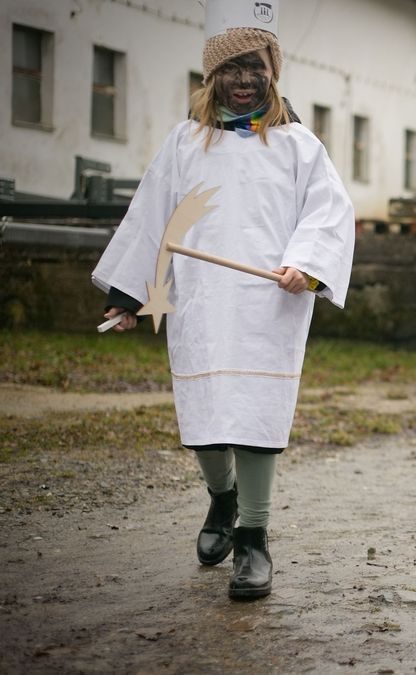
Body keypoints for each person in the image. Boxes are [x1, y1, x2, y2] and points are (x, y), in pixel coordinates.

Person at [91, 0, 355, 600]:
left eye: (255, 66)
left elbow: (328, 214)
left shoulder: (298, 146)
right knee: (206, 414)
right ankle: (222, 498)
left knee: (256, 414)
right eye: (231, 67)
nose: (243, 79)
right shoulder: (186, 143)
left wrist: (307, 267)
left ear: (273, 72)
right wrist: (130, 293)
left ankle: (254, 537)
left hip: (270, 302)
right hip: (201, 301)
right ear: (211, 75)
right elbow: (152, 216)